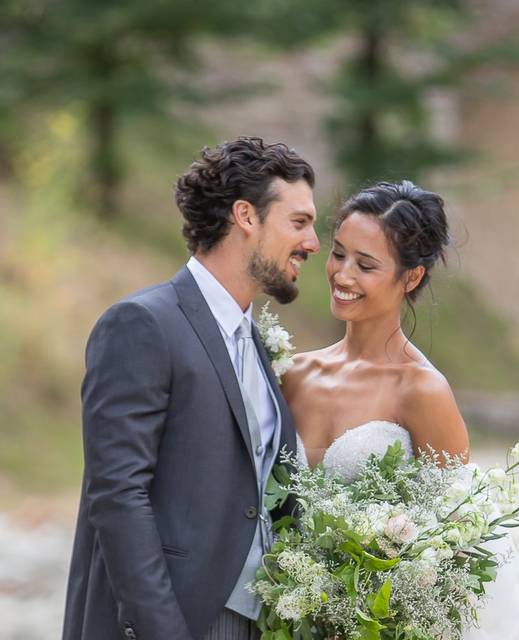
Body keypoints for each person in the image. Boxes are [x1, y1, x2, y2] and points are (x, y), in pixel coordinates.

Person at [62, 136, 320, 640]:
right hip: (174, 621)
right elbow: (118, 494)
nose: (312, 243)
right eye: (299, 222)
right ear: (246, 216)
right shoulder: (142, 324)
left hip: (255, 621)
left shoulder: (256, 342)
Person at [282, 180, 519, 639]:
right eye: (339, 254)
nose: (342, 275)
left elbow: (457, 545)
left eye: (366, 264)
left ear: (410, 277)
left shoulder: (423, 391)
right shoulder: (293, 374)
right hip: (277, 614)